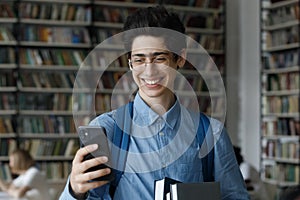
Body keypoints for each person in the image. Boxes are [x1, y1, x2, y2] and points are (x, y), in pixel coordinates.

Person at [60, 5, 249, 199]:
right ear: (130, 63)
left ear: (180, 58)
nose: (149, 72)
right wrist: (74, 191)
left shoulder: (212, 133)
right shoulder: (106, 130)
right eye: (140, 60)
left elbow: (236, 197)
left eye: (159, 58)